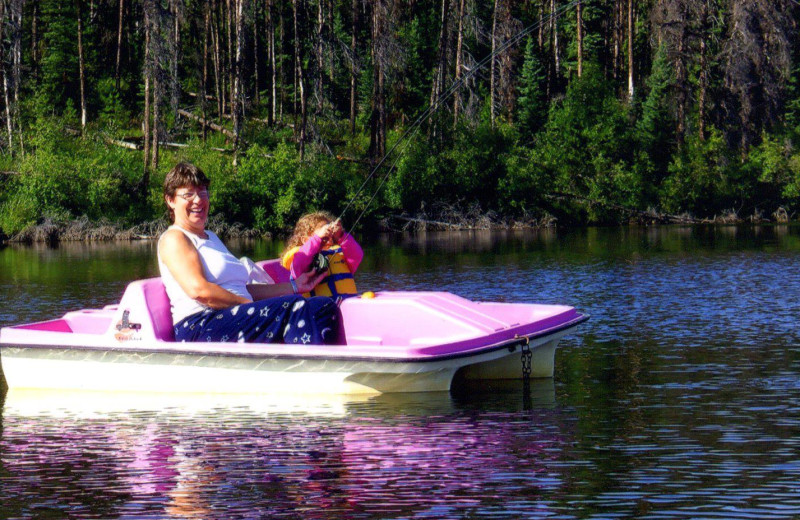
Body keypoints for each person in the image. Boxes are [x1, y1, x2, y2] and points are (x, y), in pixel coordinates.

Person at [158, 162, 338, 344]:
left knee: (322, 306)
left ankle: (328, 361)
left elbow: (243, 289)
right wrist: (249, 305)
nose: (198, 200)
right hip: (200, 324)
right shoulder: (174, 238)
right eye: (188, 194)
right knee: (295, 307)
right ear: (170, 200)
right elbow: (200, 291)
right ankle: (308, 367)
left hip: (232, 315)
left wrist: (294, 287)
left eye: (202, 192)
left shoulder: (211, 238)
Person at [281, 211, 363, 300]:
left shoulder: (339, 253)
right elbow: (300, 263)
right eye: (323, 236)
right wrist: (317, 239)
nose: (328, 237)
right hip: (318, 309)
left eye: (330, 234)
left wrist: (341, 235)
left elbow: (357, 255)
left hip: (347, 305)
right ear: (305, 240)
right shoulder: (301, 257)